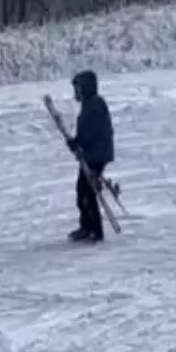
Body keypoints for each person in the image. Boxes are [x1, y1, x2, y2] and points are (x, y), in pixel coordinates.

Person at [66, 70, 115, 242]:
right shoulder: (89, 104)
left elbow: (94, 132)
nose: (76, 92)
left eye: (78, 88)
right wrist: (78, 142)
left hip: (97, 155)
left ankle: (95, 229)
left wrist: (79, 143)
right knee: (83, 191)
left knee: (87, 192)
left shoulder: (95, 105)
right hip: (91, 154)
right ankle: (87, 226)